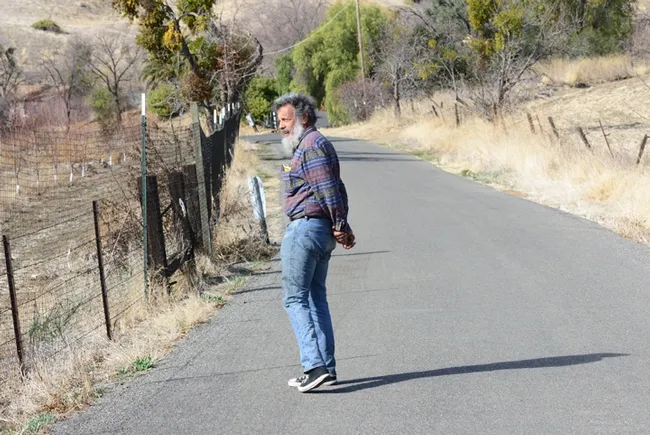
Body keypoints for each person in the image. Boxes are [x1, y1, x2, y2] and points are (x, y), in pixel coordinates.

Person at [272, 92, 356, 393]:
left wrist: (340, 224)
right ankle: (326, 369)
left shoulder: (310, 146)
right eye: (279, 120)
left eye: (286, 119)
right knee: (315, 298)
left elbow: (328, 190)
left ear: (303, 117)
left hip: (306, 230)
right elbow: (336, 188)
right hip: (319, 232)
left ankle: (314, 366)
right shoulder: (314, 145)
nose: (281, 126)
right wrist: (340, 224)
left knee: (294, 298)